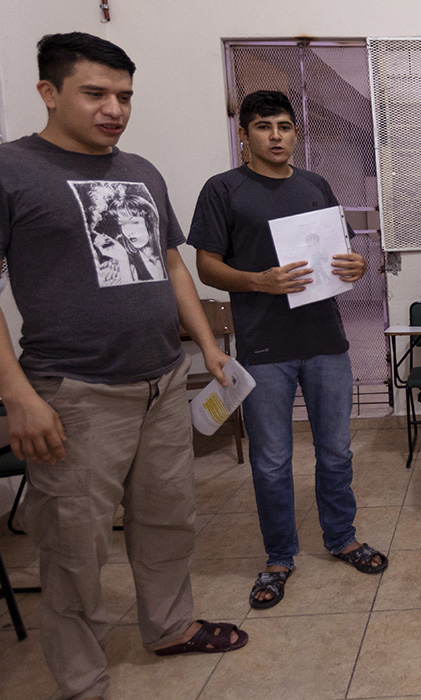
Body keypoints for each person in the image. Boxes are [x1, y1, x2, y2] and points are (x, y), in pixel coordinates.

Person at [0, 32, 247, 700]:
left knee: (169, 520)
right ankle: (82, 681)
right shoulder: (13, 170)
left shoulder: (139, 171)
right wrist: (18, 396)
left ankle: (169, 626)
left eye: (125, 96)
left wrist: (209, 345)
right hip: (75, 393)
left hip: (163, 381)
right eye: (96, 93)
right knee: (75, 548)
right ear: (49, 93)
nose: (115, 108)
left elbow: (170, 264)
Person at [188, 90, 386, 610]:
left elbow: (340, 256)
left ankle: (342, 537)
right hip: (263, 347)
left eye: (283, 126)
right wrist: (259, 280)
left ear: (296, 132)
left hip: (325, 341)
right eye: (263, 127)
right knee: (272, 461)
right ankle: (279, 556)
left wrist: (357, 268)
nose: (275, 136)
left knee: (336, 451)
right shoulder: (223, 190)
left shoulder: (316, 186)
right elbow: (206, 266)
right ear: (244, 135)